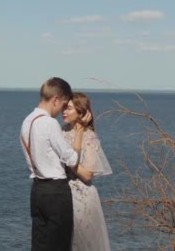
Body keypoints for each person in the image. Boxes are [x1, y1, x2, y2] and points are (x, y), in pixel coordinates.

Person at [20, 77, 85, 251]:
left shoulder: (26, 122)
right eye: (64, 105)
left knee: (39, 244)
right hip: (56, 192)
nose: (64, 110)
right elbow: (71, 159)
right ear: (55, 99)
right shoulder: (49, 123)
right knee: (59, 244)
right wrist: (79, 133)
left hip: (37, 190)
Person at [62, 92, 112, 251]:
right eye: (64, 107)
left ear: (81, 113)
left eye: (69, 108)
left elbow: (87, 174)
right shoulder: (60, 131)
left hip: (81, 197)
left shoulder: (89, 137)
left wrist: (69, 162)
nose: (64, 111)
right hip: (62, 196)